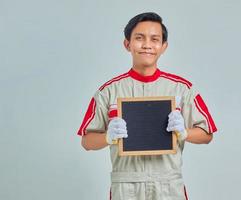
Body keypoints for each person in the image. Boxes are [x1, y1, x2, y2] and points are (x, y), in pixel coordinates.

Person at [77, 12, 217, 200]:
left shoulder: (182, 89)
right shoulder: (108, 91)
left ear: (163, 46)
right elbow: (86, 141)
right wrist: (107, 137)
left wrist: (185, 133)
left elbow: (207, 134)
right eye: (139, 38)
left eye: (155, 39)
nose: (147, 45)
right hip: (126, 185)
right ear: (127, 44)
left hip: (168, 184)